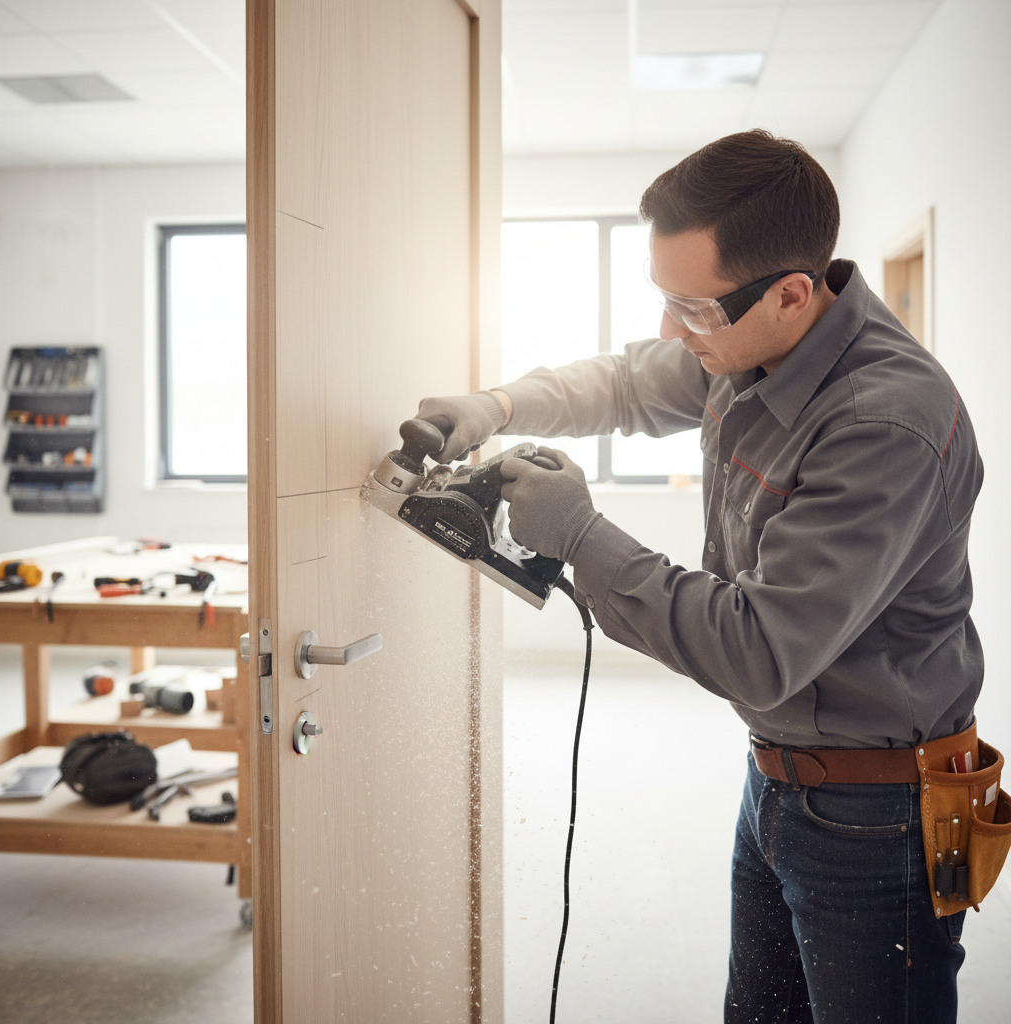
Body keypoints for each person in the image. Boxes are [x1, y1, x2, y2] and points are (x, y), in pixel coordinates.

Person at [415, 129, 984, 1023]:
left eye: (693, 310)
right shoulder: (750, 339)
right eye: (663, 300)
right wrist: (498, 404)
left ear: (793, 292)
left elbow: (758, 649)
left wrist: (583, 538)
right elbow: (628, 382)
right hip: (780, 782)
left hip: (879, 816)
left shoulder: (887, 424)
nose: (672, 332)